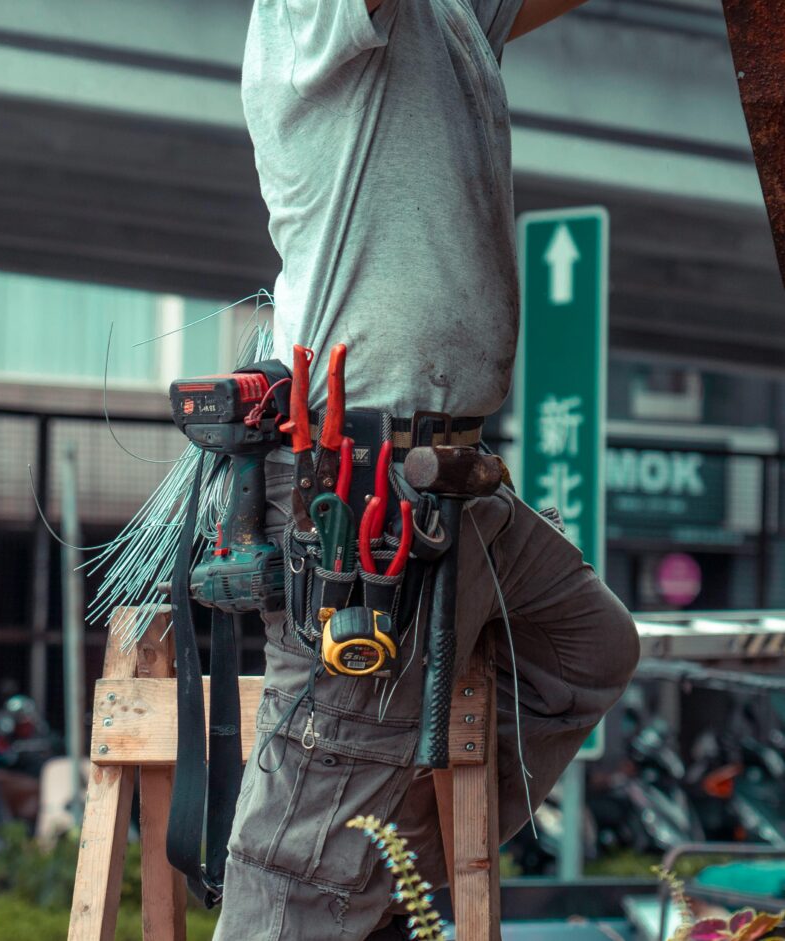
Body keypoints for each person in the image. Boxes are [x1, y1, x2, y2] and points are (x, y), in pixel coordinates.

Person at [213, 0, 641, 938]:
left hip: (454, 472)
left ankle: (380, 882)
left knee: (585, 651)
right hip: (357, 471)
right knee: (305, 848)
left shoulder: (453, 17)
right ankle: (341, 882)